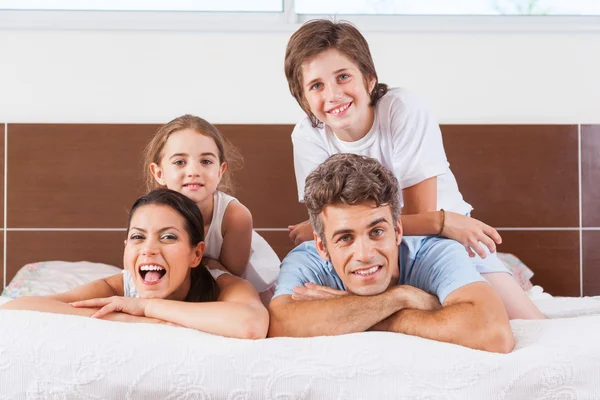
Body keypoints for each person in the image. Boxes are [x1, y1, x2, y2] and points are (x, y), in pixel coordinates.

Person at [283, 19, 544, 319]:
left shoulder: (402, 110)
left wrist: (445, 223)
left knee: (528, 324)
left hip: (442, 242)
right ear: (303, 98)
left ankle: (505, 277)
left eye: (343, 77)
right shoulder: (307, 136)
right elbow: (329, 226)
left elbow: (423, 217)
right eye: (316, 85)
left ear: (368, 79)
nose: (333, 95)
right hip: (372, 252)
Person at [268, 154, 514, 353]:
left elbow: (494, 333)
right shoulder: (305, 260)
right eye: (345, 238)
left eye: (376, 232)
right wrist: (403, 297)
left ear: (397, 231)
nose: (364, 254)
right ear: (322, 246)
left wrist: (371, 316)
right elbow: (279, 323)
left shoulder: (436, 252)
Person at [1, 188, 269, 339]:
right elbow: (15, 308)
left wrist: (146, 307)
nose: (149, 250)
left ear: (196, 254)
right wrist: (125, 319)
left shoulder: (223, 284)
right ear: (126, 247)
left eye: (168, 237)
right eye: (138, 237)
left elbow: (251, 325)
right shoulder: (117, 288)